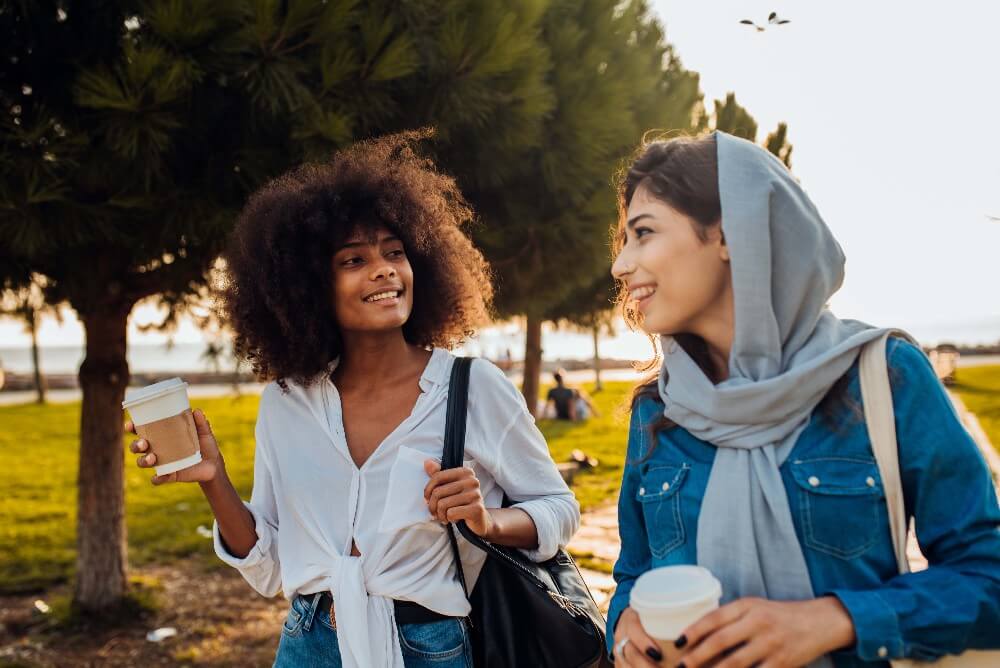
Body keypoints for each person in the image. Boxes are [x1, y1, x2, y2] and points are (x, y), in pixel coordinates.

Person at [126, 133, 580, 668]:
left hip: (429, 648)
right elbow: (270, 566)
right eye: (353, 259)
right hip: (307, 644)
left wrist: (486, 522)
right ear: (308, 285)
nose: (384, 269)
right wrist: (213, 479)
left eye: (394, 252)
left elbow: (558, 508)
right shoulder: (285, 403)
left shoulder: (471, 386)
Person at [606, 131, 1000, 667]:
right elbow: (633, 573)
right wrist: (625, 626)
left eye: (643, 233)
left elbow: (987, 575)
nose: (619, 266)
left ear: (728, 233)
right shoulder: (659, 408)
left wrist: (834, 620)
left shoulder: (884, 376)